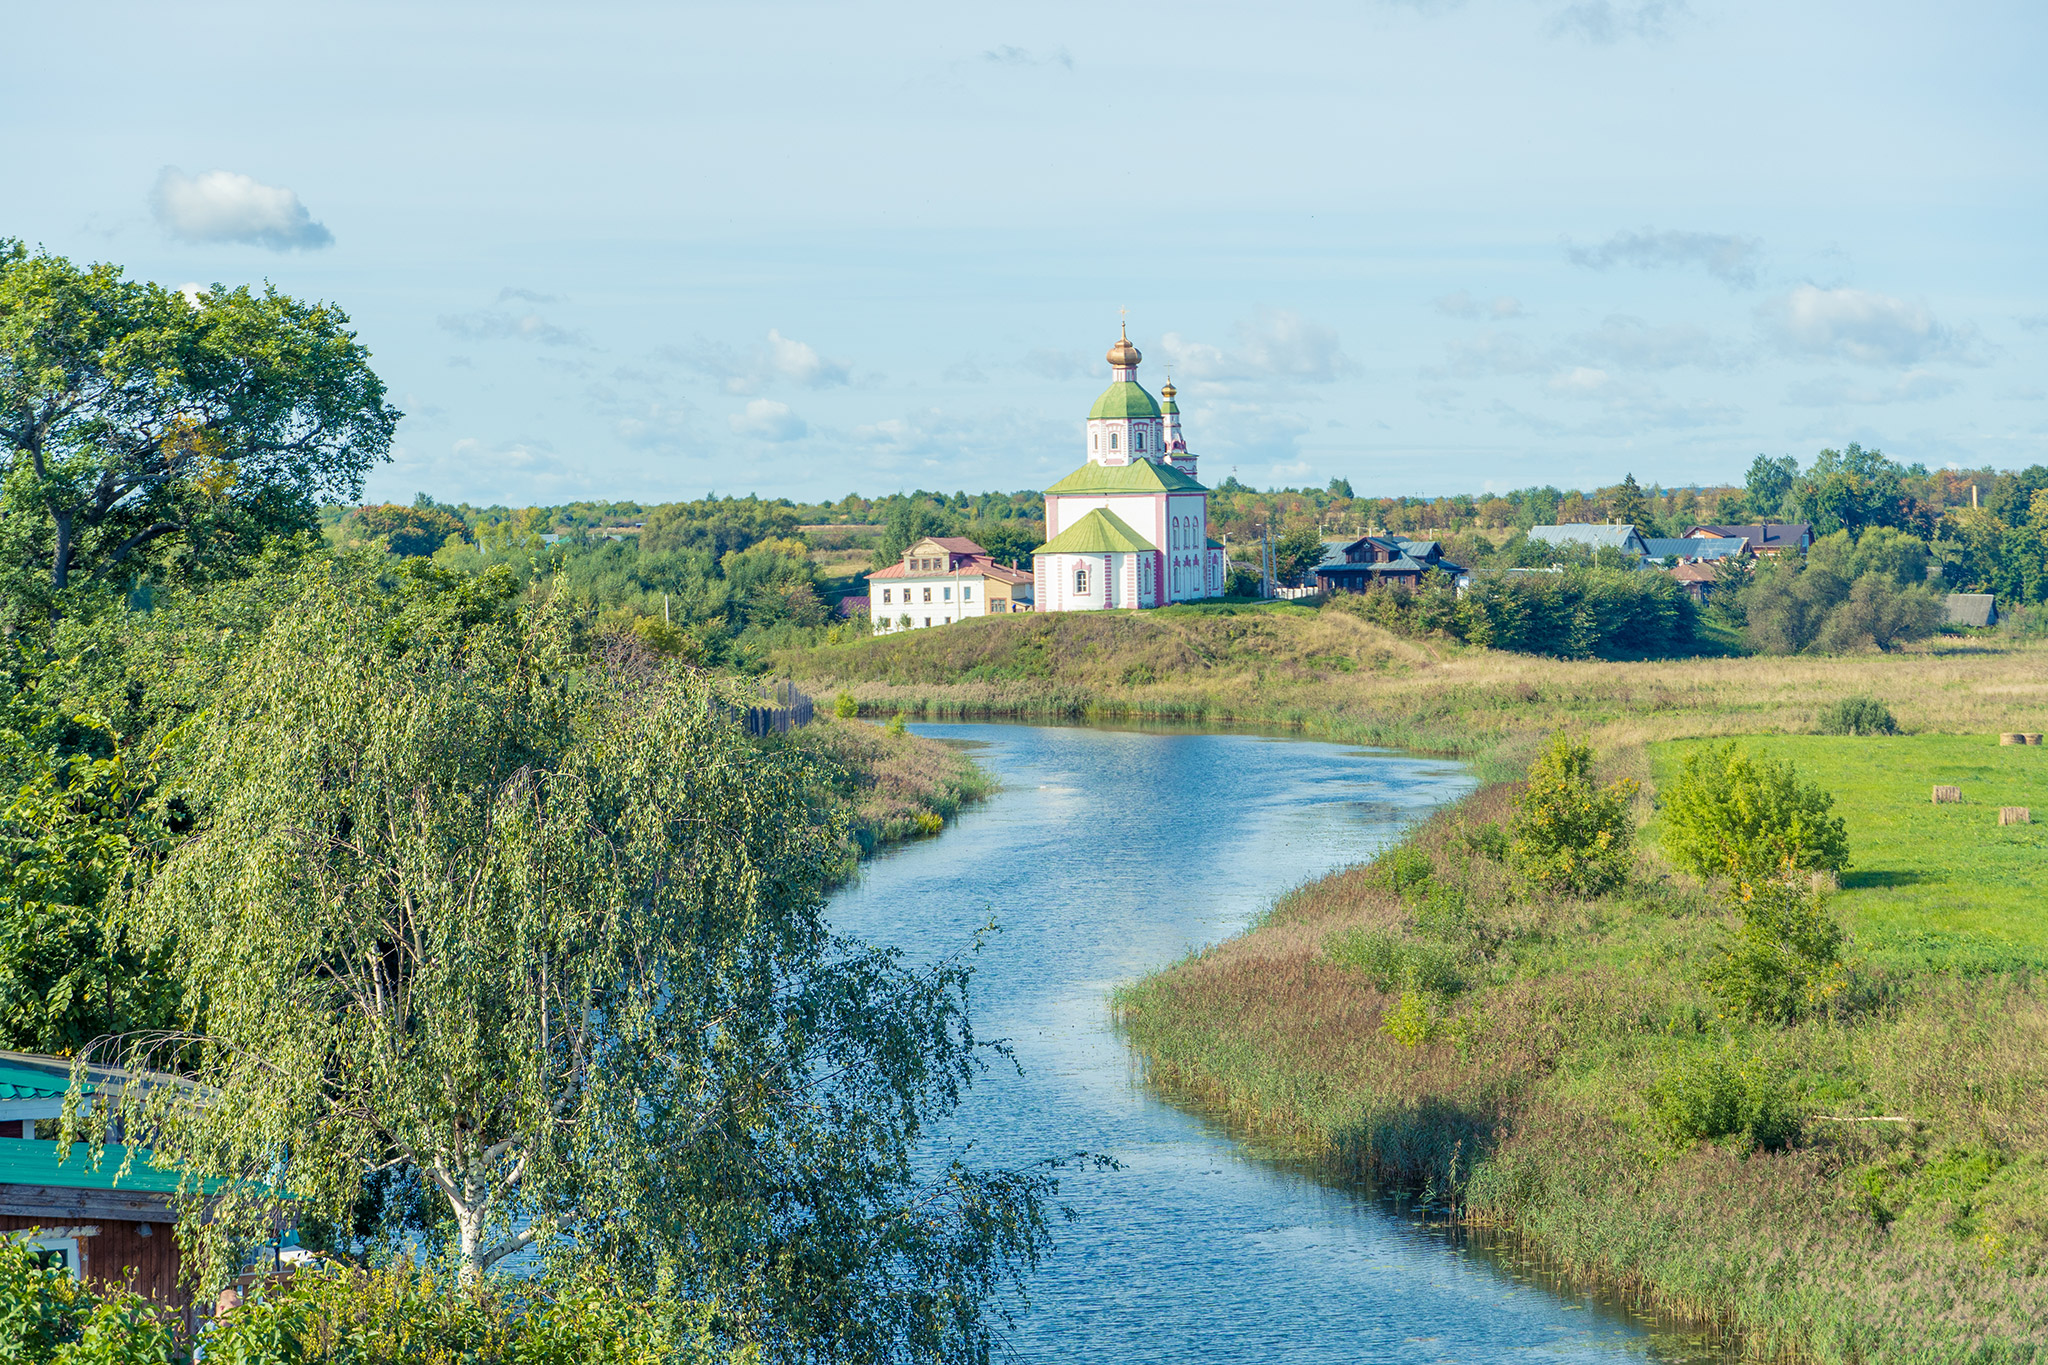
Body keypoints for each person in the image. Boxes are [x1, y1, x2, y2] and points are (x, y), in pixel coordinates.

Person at [192, 1285, 241, 1362]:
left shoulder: (237, 1332)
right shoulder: (206, 1332)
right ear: (222, 1308)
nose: (239, 1312)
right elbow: (198, 1361)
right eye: (235, 1309)